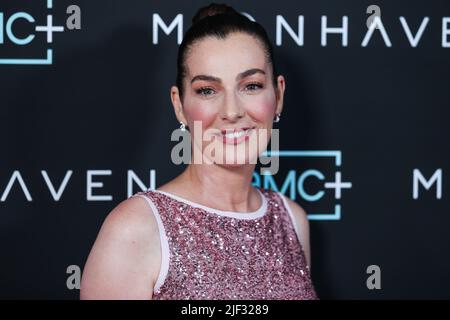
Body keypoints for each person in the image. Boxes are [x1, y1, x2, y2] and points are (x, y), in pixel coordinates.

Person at [80, 3, 318, 300]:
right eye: (207, 90)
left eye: (252, 85)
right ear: (179, 105)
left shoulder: (292, 220)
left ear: (278, 95)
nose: (231, 111)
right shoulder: (135, 229)